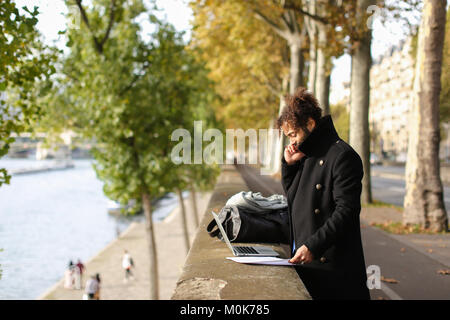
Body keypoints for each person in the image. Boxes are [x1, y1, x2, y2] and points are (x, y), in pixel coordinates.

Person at [276, 86, 370, 300]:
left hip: (333, 268)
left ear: (310, 123)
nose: (291, 141)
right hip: (307, 261)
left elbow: (347, 210)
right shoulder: (306, 154)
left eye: (293, 134)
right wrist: (288, 165)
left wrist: (314, 245)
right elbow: (293, 199)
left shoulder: (342, 156)